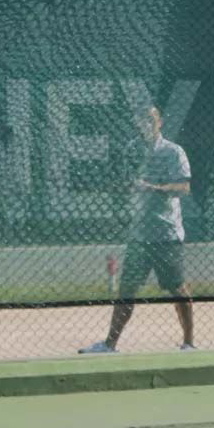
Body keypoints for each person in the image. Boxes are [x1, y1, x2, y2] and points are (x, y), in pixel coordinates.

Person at [80, 106, 194, 354]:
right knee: (127, 290)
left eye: (150, 120)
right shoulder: (132, 150)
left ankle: (189, 343)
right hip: (139, 236)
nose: (146, 125)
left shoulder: (173, 152)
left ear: (159, 122)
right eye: (141, 121)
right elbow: (126, 184)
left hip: (166, 234)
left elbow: (184, 188)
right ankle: (109, 345)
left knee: (177, 288)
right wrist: (121, 189)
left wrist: (153, 188)